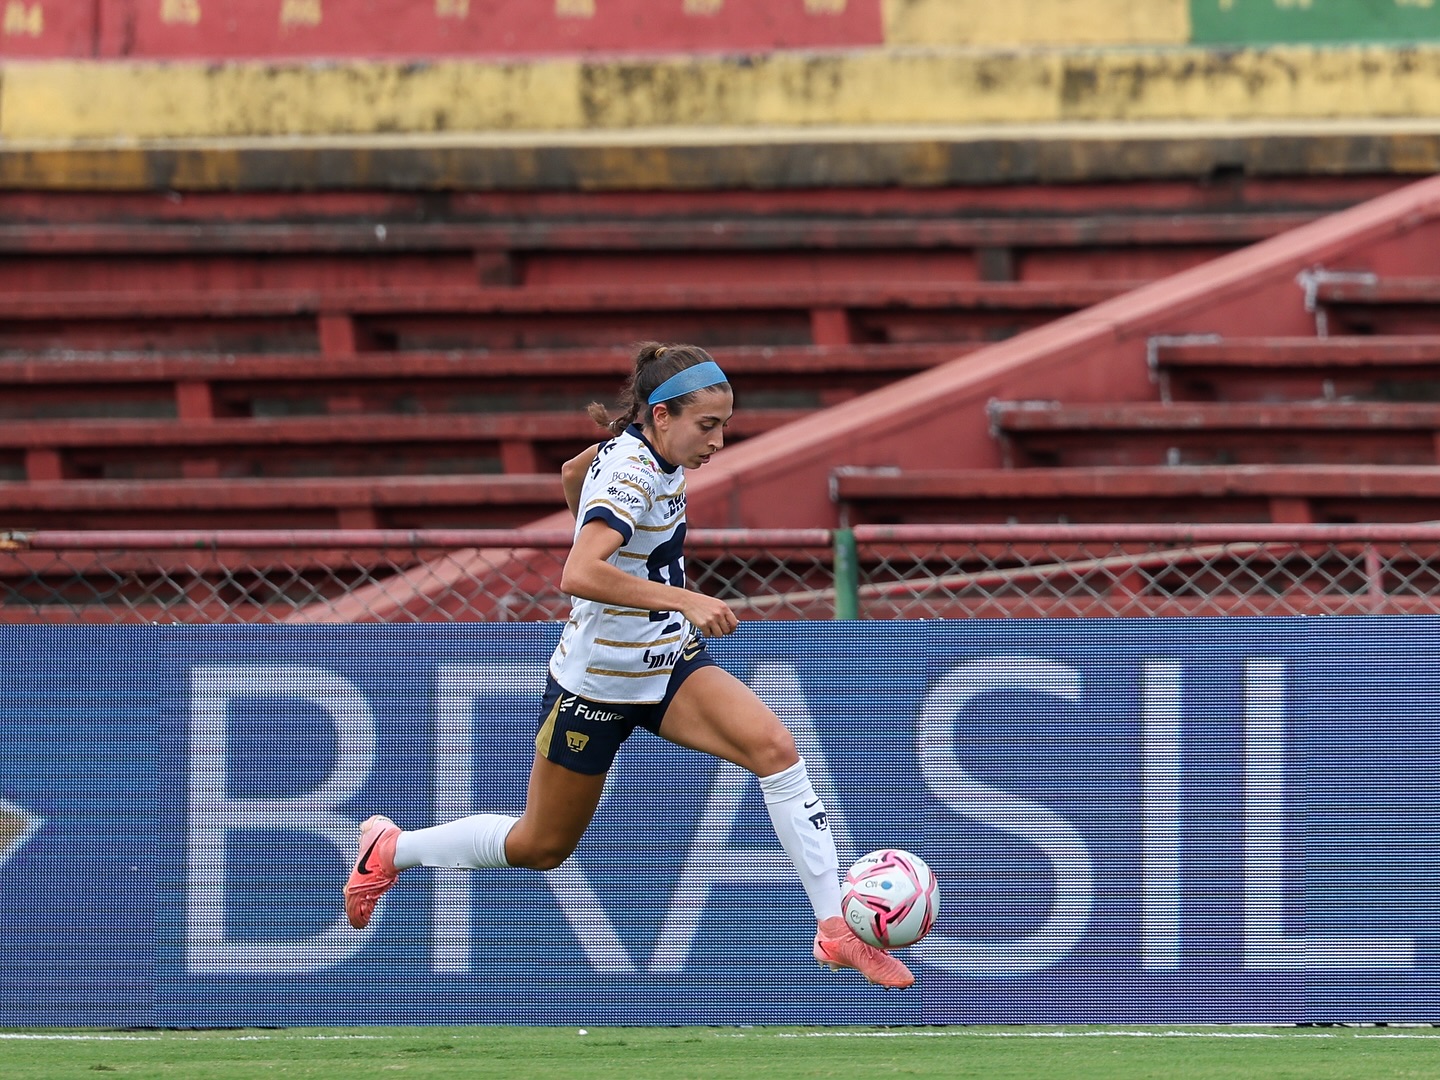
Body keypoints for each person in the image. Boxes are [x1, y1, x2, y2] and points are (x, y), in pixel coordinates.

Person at [343, 341, 914, 989]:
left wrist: (643, 575)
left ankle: (835, 931)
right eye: (708, 425)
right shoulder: (632, 471)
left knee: (776, 750)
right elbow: (578, 571)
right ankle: (392, 849)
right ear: (662, 416)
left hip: (665, 663)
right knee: (541, 847)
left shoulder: (642, 455)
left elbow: (569, 473)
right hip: (597, 684)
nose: (719, 440)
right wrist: (684, 598)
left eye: (725, 424)